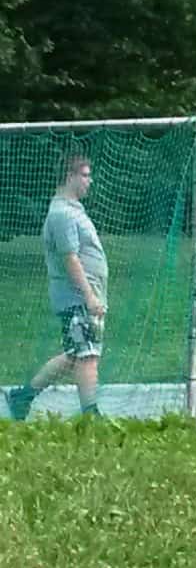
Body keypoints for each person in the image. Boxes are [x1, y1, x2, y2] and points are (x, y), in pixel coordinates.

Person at [5, 154, 107, 420]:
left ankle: (22, 396)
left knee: (76, 354)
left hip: (82, 296)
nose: (89, 181)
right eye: (85, 175)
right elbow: (70, 258)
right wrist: (89, 297)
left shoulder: (72, 210)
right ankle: (91, 416)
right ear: (69, 177)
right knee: (87, 355)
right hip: (76, 297)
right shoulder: (61, 214)